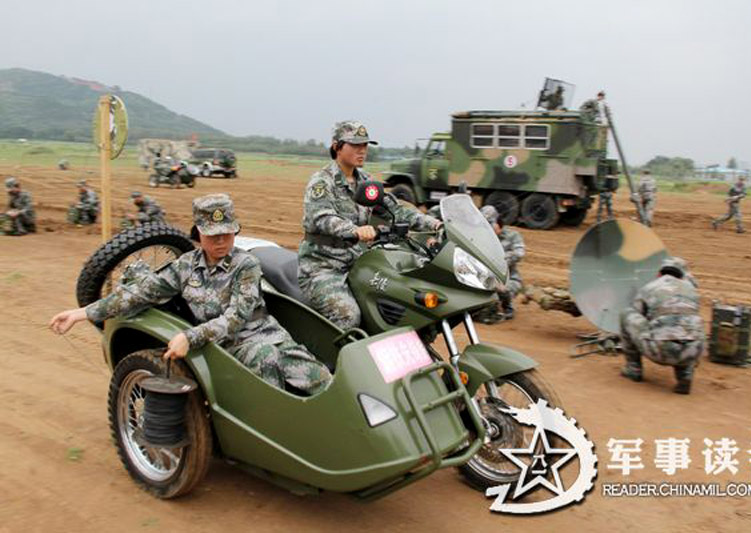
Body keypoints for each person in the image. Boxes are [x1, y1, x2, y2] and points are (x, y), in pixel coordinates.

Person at [50, 194, 332, 395]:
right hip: (229, 349)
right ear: (198, 233)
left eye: (227, 233)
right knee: (269, 370)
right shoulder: (184, 267)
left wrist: (189, 337)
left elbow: (235, 318)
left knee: (322, 382)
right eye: (213, 235)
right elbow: (140, 293)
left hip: (265, 335)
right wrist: (81, 313)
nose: (221, 241)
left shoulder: (246, 264)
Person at [298, 120, 441, 329]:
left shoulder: (366, 181)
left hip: (358, 262)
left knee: (400, 305)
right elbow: (321, 218)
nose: (362, 150)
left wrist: (435, 223)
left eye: (365, 145)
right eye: (356, 145)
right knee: (348, 316)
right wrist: (354, 230)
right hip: (323, 267)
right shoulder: (321, 182)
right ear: (337, 146)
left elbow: (396, 209)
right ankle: (332, 361)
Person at [619, 257, 705, 394]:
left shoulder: (650, 287)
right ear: (683, 275)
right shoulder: (691, 290)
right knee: (687, 328)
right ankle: (685, 375)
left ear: (659, 273)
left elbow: (638, 313)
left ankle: (633, 369)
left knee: (626, 314)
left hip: (660, 351)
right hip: (693, 352)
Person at [474, 205, 525, 323]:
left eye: (489, 223)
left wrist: (500, 260)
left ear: (498, 222)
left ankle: (507, 307)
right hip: (485, 279)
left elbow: (519, 253)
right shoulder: (479, 237)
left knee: (502, 291)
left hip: (508, 279)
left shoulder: (513, 236)